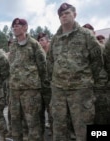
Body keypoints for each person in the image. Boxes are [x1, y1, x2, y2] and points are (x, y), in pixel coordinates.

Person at [47, 3, 103, 141]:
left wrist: (86, 79)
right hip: (59, 91)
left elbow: (97, 61)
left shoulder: (86, 35)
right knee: (59, 128)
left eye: (67, 13)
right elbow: (50, 62)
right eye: (61, 14)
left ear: (75, 14)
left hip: (81, 91)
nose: (64, 16)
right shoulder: (55, 38)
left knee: (83, 129)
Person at [9, 18, 47, 141]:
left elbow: (43, 66)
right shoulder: (13, 46)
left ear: (25, 27)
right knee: (16, 123)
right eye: (13, 26)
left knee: (33, 123)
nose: (15, 27)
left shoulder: (34, 44)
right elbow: (11, 65)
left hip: (31, 91)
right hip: (15, 91)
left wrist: (36, 84)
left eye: (18, 25)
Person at [37, 32, 53, 136]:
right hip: (40, 85)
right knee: (40, 110)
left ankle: (53, 128)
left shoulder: (52, 51)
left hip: (51, 85)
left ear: (47, 41)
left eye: (42, 40)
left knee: (52, 109)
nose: (40, 42)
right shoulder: (38, 53)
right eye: (39, 40)